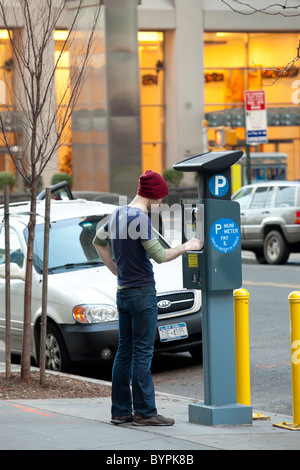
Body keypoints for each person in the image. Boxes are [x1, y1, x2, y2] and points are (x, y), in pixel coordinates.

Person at [93, 170, 201, 426]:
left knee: (124, 353)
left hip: (124, 293)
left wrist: (115, 270)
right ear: (152, 195)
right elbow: (160, 255)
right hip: (143, 292)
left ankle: (120, 411)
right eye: (161, 198)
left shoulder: (118, 214)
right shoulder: (139, 218)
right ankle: (145, 412)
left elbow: (99, 242)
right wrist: (188, 246)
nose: (162, 203)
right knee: (142, 353)